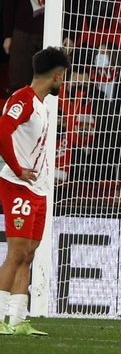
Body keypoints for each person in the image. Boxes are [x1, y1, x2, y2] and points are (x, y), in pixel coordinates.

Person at [0, 45, 66, 336]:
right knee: (16, 253)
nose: (63, 82)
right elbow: (2, 130)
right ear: (56, 76)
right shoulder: (22, 99)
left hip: (38, 189)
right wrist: (17, 169)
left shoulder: (41, 105)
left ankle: (17, 321)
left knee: (28, 254)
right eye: (63, 77)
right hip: (18, 186)